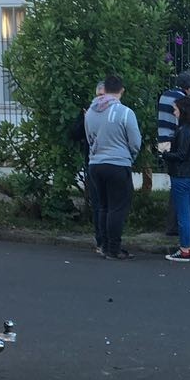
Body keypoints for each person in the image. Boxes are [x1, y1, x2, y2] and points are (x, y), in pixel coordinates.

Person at [85, 74, 142, 260]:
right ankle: (114, 248)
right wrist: (130, 156)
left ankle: (103, 244)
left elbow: (89, 138)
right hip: (118, 163)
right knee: (117, 208)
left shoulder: (91, 112)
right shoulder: (125, 112)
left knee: (103, 206)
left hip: (95, 164)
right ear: (121, 90)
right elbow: (135, 141)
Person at [157, 70, 190, 236]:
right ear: (188, 87)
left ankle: (173, 224)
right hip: (176, 141)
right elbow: (181, 121)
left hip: (163, 139)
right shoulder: (181, 100)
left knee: (176, 183)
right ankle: (174, 226)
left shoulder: (165, 95)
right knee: (180, 184)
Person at [161, 95, 190, 262]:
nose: (174, 112)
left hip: (181, 175)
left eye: (176, 109)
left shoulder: (183, 131)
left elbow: (180, 155)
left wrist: (165, 155)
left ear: (182, 110)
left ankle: (184, 249)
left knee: (183, 214)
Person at [69, 80, 107, 254]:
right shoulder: (89, 111)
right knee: (98, 204)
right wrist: (84, 120)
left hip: (110, 161)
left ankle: (111, 240)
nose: (100, 99)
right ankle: (101, 240)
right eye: (98, 95)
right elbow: (74, 135)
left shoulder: (115, 111)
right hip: (92, 162)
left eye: (103, 95)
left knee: (110, 204)